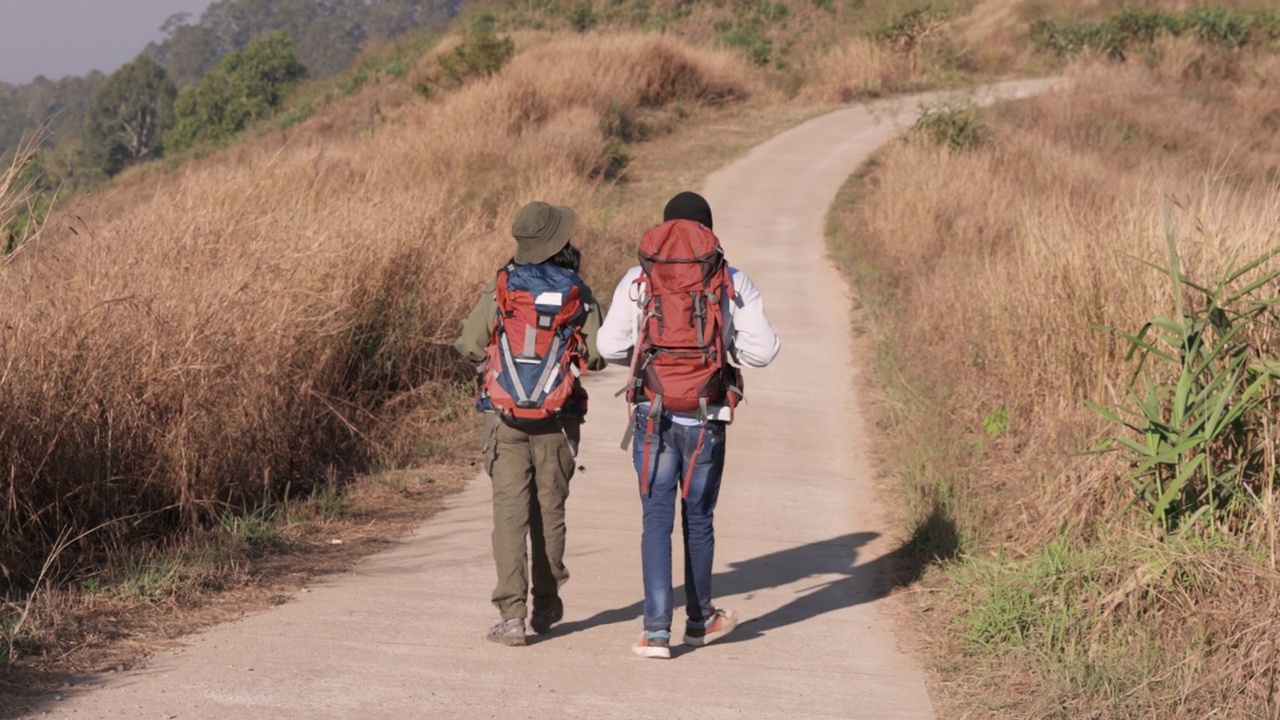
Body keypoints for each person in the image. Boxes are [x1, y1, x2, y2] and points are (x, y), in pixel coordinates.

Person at [596, 191, 780, 658]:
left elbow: (609, 344)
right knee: (698, 520)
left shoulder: (640, 278)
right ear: (709, 232)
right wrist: (722, 355)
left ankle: (655, 631)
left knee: (655, 519)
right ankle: (699, 621)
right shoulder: (732, 280)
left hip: (652, 412)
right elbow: (764, 352)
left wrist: (646, 361)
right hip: (705, 416)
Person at [454, 201, 606, 647]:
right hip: (559, 419)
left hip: (503, 419)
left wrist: (496, 370)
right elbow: (597, 355)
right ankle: (547, 601)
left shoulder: (502, 285)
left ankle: (511, 616)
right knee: (549, 512)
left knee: (509, 515)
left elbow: (467, 342)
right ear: (560, 242)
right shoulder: (579, 291)